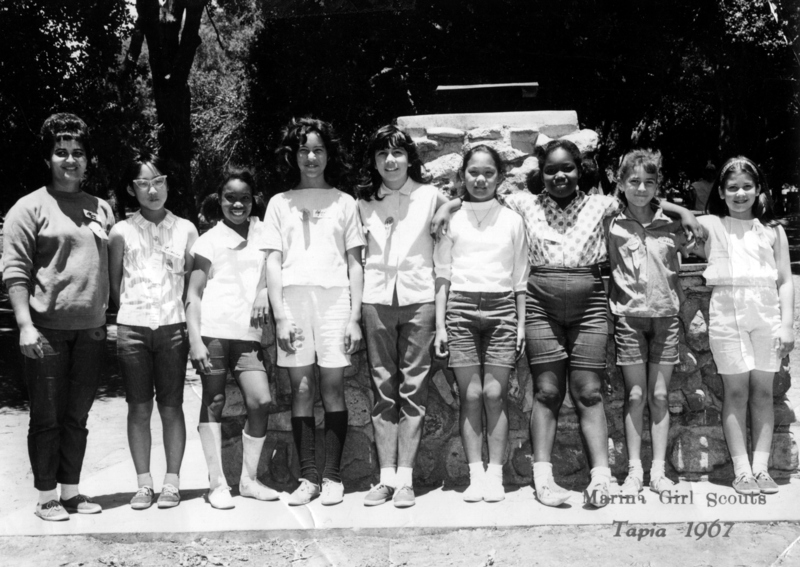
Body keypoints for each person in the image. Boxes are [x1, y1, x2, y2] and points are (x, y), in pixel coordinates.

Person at [432, 139, 702, 508]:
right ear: (540, 174)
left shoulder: (602, 204)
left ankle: (601, 478)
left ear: (580, 170)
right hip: (541, 303)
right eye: (550, 170)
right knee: (546, 391)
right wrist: (448, 205)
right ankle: (544, 480)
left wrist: (682, 210)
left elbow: (642, 196)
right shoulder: (523, 204)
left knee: (588, 390)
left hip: (589, 303)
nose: (560, 175)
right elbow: (479, 197)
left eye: (568, 168)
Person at [3, 113, 113, 520]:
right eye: (61, 152)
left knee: (77, 417)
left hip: (91, 332)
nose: (70, 160)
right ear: (48, 158)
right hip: (45, 331)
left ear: (88, 160)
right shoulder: (27, 208)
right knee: (46, 418)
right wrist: (25, 325)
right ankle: (46, 496)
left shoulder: (101, 208)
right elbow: (14, 270)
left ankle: (71, 492)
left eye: (78, 153)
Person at [264, 118, 364, 506]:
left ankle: (333, 477)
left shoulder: (344, 202)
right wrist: (281, 315)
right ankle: (308, 478)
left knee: (333, 387)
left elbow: (355, 262)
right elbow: (273, 262)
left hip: (336, 301)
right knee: (301, 389)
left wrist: (353, 315)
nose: (311, 157)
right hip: (293, 301)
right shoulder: (278, 203)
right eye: (304, 150)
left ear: (328, 154)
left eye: (318, 150)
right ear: (294, 155)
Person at [356, 125, 448, 508]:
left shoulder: (430, 197)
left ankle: (406, 480)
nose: (390, 161)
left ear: (410, 157)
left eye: (397, 153)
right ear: (374, 161)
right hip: (375, 299)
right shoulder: (361, 202)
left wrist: (448, 205)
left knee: (413, 387)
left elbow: (443, 254)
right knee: (382, 388)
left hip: (420, 298)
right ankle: (385, 478)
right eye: (381, 154)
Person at [693, 156, 794, 495]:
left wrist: (787, 325)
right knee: (735, 392)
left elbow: (785, 280)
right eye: (732, 188)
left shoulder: (772, 230)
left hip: (765, 313)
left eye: (747, 187)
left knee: (763, 393)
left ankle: (762, 468)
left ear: (759, 190)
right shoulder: (714, 225)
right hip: (727, 312)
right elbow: (678, 223)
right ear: (720, 192)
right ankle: (742, 471)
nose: (740, 194)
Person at [433, 145, 528, 503]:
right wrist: (442, 325)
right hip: (460, 308)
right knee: (470, 395)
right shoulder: (450, 219)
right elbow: (442, 275)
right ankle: (476, 475)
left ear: (500, 177)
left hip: (503, 308)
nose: (481, 179)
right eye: (473, 172)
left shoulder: (512, 220)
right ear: (463, 176)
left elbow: (520, 277)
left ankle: (495, 477)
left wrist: (519, 324)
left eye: (489, 172)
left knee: (494, 394)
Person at [108, 150, 198, 510]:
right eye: (143, 183)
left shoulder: (186, 229)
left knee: (172, 407)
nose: (152, 190)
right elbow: (116, 286)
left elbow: (192, 285)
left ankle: (172, 483)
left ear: (167, 184)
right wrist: (130, 315)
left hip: (174, 328)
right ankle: (144, 484)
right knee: (139, 407)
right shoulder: (121, 232)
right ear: (132, 189)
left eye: (157, 181)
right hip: (133, 329)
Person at [186, 169, 277, 510]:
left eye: (244, 198)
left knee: (260, 400)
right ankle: (216, 484)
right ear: (219, 200)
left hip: (247, 336)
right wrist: (195, 339)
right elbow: (193, 293)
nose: (237, 204)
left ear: (253, 199)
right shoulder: (209, 240)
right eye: (230, 198)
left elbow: (272, 268)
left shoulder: (265, 232)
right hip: (212, 332)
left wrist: (263, 291)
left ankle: (249, 480)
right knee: (214, 399)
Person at [606, 150, 691, 497]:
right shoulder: (611, 223)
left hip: (666, 318)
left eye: (649, 182)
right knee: (636, 394)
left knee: (659, 394)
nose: (641, 188)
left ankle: (658, 471)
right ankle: (634, 471)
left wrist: (683, 210)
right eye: (634, 181)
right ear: (621, 183)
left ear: (658, 185)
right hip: (629, 318)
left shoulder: (671, 223)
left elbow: (700, 239)